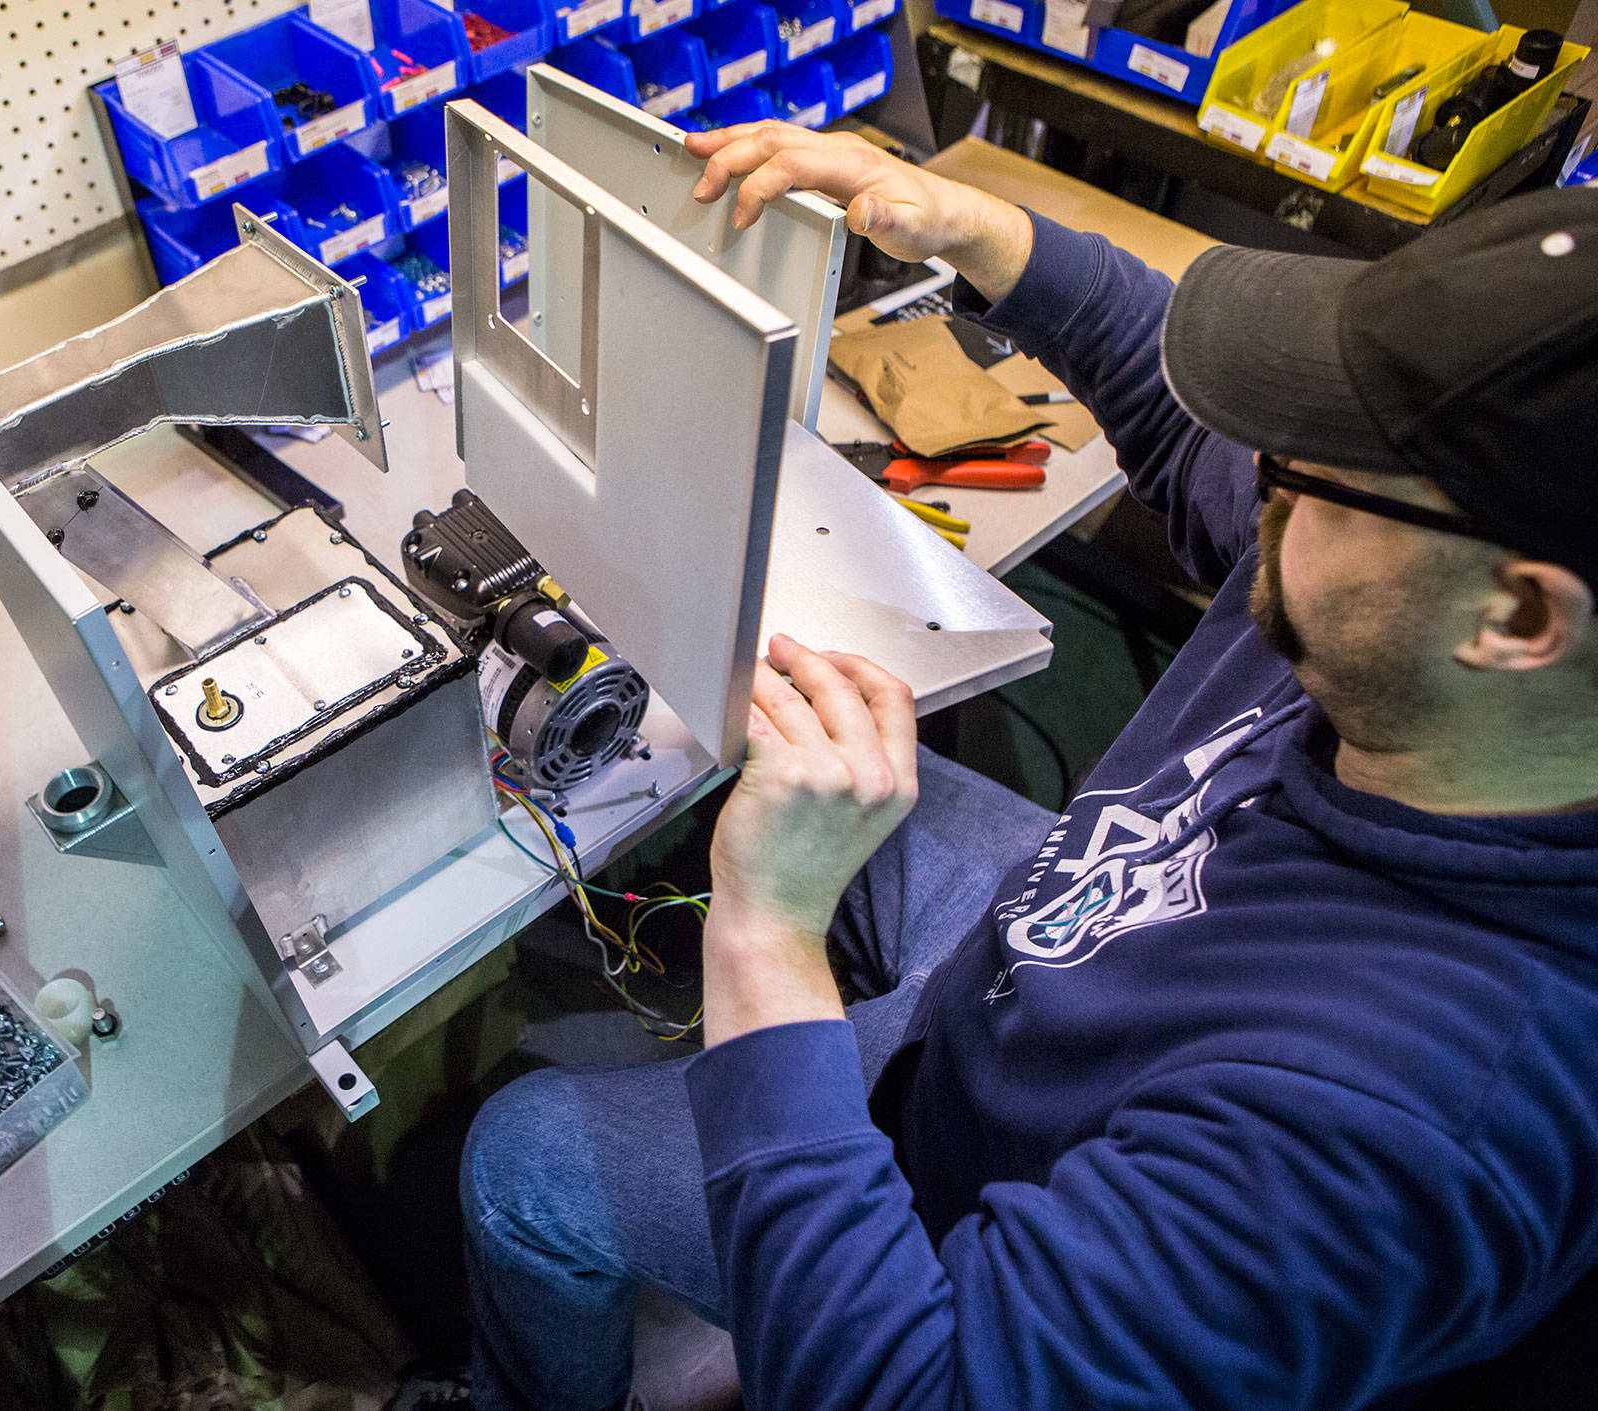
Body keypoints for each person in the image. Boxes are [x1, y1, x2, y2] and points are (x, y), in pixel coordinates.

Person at [450, 123, 1598, 1411]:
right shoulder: (1430, 645)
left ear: (1516, 619)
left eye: (1307, 469)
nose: (1260, 484)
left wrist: (770, 941)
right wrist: (969, 228)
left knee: (526, 1161)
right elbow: (1195, 425)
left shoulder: (1385, 1135)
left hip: (970, 1203)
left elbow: (904, 1391)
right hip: (1045, 984)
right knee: (842, 749)